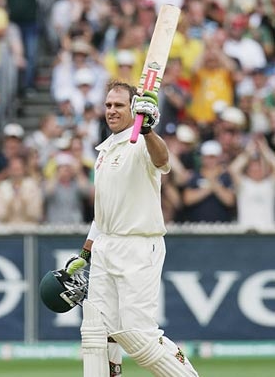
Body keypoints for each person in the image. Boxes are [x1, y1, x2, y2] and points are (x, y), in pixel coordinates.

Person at [63, 81, 200, 377]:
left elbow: (163, 161)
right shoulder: (104, 149)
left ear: (133, 108)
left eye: (119, 105)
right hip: (105, 247)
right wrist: (85, 253)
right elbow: (104, 211)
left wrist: (149, 130)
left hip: (138, 246)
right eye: (108, 105)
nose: (111, 111)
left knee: (137, 334)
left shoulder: (142, 143)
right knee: (96, 331)